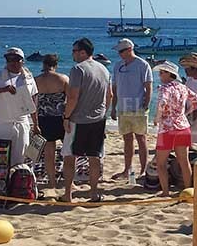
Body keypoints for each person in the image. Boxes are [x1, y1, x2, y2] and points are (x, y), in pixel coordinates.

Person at [61, 38, 112, 202]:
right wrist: (104, 112)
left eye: (74, 51)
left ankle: (68, 194)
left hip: (79, 119)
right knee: (94, 157)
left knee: (70, 156)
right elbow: (109, 95)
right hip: (98, 119)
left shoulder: (78, 69)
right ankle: (94, 193)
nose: (72, 54)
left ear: (83, 52)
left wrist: (67, 116)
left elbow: (73, 97)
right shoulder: (103, 69)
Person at [0, 47, 39, 167]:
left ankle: (15, 184)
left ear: (22, 61)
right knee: (0, 160)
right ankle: (1, 185)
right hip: (1, 124)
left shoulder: (28, 77)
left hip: (21, 123)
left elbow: (33, 101)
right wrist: (3, 90)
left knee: (19, 159)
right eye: (9, 59)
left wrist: (36, 124)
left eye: (16, 59)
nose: (13, 62)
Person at [153, 62, 197, 197]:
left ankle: (166, 192)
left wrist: (157, 117)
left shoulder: (164, 88)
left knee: (161, 163)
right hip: (183, 127)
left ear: (170, 74)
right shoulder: (182, 87)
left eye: (162, 72)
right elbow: (196, 100)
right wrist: (186, 112)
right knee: (184, 162)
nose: (160, 75)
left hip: (167, 129)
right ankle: (188, 190)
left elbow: (163, 102)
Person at [109, 38, 152, 181]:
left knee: (141, 138)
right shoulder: (118, 65)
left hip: (138, 107)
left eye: (122, 51)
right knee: (127, 139)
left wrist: (145, 105)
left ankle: (143, 170)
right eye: (119, 51)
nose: (120, 54)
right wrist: (113, 107)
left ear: (129, 49)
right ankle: (127, 170)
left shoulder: (142, 64)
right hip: (123, 108)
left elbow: (148, 86)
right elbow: (114, 88)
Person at [35, 54, 68, 193]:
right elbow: (70, 98)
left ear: (43, 64)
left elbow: (33, 102)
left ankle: (52, 182)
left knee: (49, 152)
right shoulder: (63, 79)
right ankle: (68, 181)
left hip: (43, 118)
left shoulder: (36, 80)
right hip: (60, 118)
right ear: (56, 64)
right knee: (67, 152)